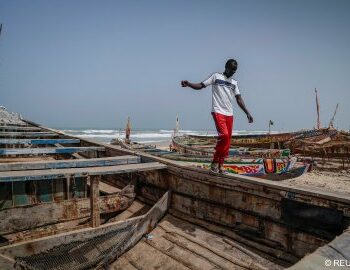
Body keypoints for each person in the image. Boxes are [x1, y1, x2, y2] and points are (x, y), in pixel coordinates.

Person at [181, 59, 253, 174]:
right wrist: (189, 84)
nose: (233, 72)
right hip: (218, 111)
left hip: (229, 114)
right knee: (224, 136)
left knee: (227, 142)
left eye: (234, 71)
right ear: (226, 67)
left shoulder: (234, 83)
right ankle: (214, 163)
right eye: (231, 70)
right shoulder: (216, 76)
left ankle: (221, 166)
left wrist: (247, 113)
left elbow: (239, 98)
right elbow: (201, 85)